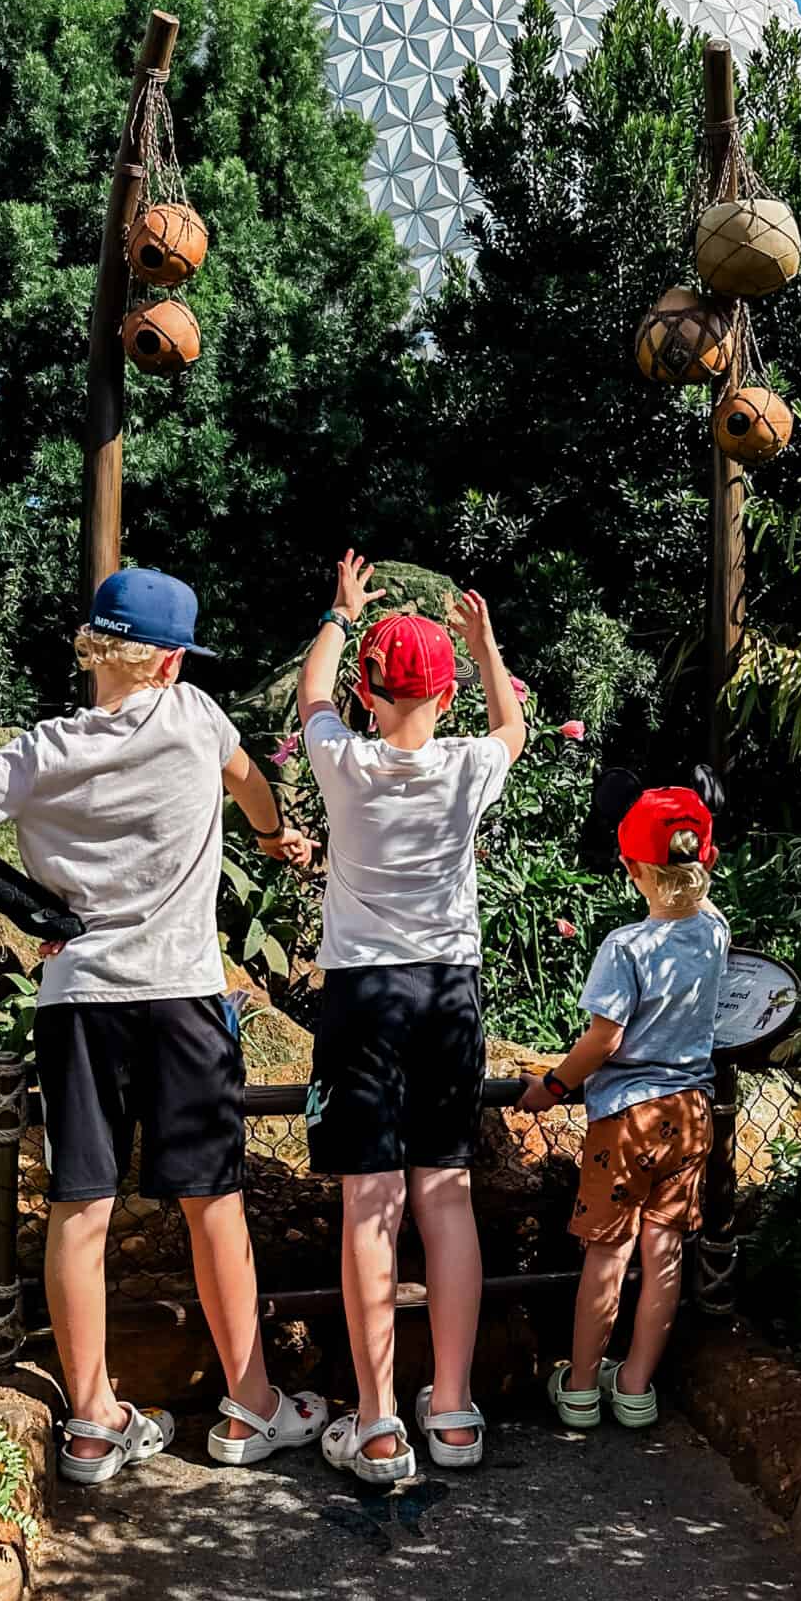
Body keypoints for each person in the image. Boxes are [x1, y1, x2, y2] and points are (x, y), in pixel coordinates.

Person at [0, 566, 328, 1485]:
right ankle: (251, 1403)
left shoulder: (41, 750)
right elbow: (256, 791)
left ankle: (91, 1421)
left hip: (80, 999)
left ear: (95, 648)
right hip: (180, 994)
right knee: (214, 1204)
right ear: (170, 659)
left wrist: (33, 912)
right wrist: (271, 833)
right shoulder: (197, 719)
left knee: (80, 1206)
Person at [296, 552, 525, 1483]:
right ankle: (457, 1410)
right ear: (448, 693)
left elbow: (311, 694)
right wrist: (487, 644)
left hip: (361, 993)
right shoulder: (470, 764)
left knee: (370, 1204)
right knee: (446, 1196)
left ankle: (381, 1421)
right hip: (448, 992)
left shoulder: (340, 762)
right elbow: (513, 725)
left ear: (367, 691)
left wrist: (340, 612)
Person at [520, 786, 728, 1432]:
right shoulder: (717, 931)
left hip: (626, 1119)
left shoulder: (625, 949)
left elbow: (604, 1039)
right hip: (692, 1113)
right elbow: (696, 897)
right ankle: (636, 1388)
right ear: (705, 861)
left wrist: (551, 1086)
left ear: (633, 870)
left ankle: (581, 1388)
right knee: (664, 1250)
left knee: (608, 1253)